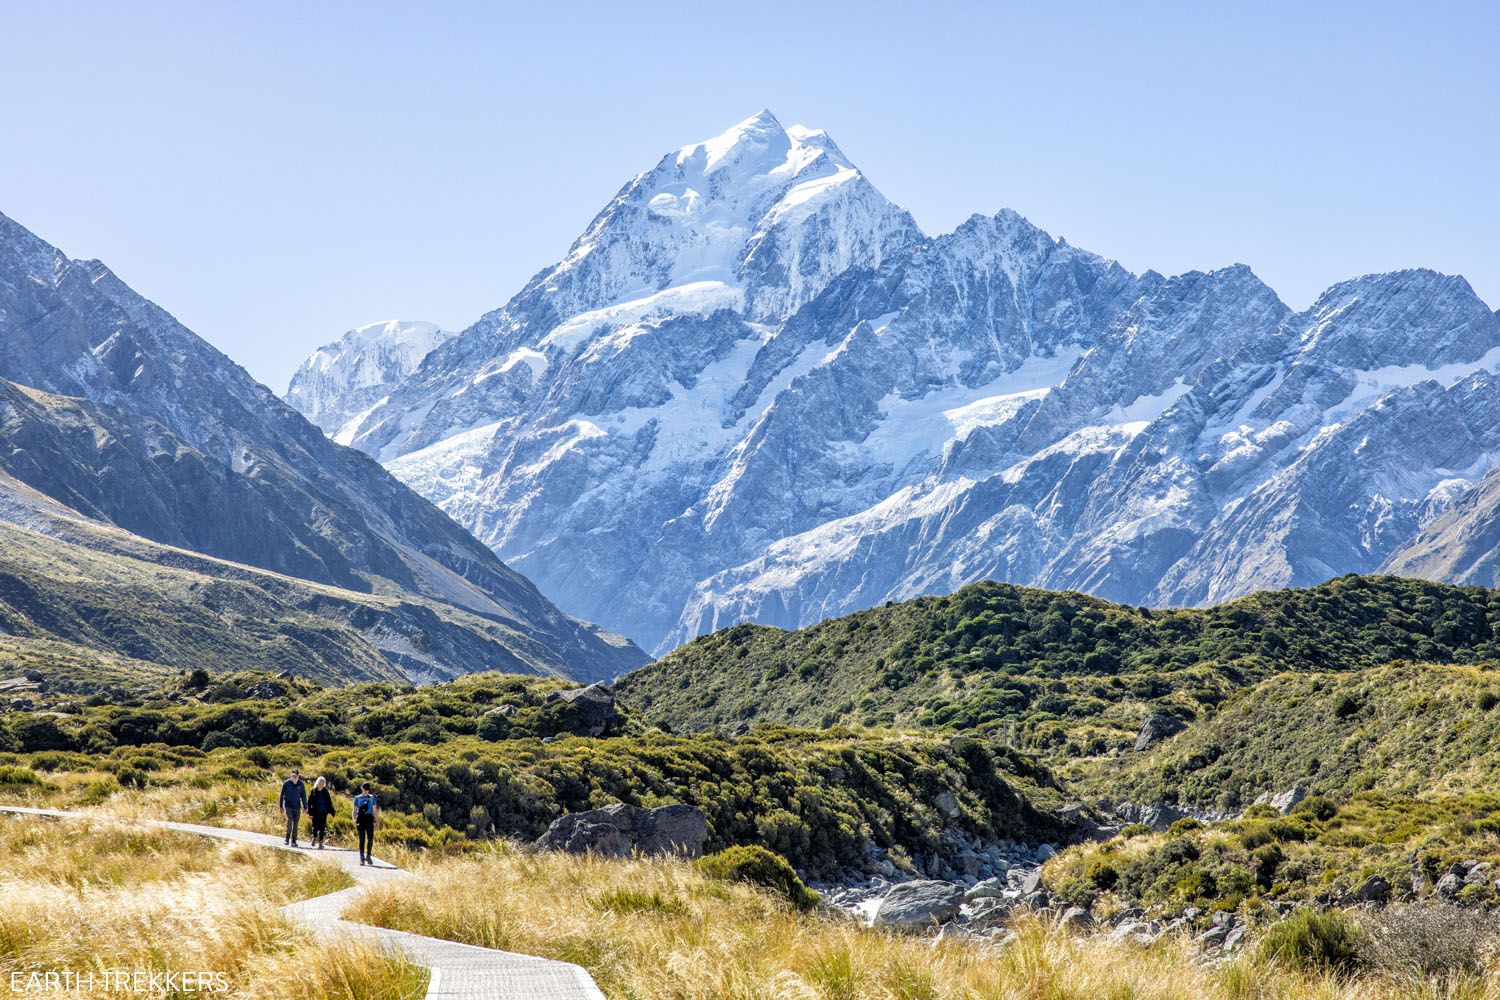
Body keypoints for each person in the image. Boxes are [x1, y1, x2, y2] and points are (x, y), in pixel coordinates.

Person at [279, 769, 308, 847]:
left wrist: (305, 807)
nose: (294, 777)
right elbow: (281, 795)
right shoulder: (286, 783)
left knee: (296, 824)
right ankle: (286, 839)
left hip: (297, 807)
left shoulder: (301, 784)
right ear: (291, 776)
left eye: (295, 776)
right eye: (292, 776)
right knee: (290, 821)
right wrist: (281, 806)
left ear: (298, 776)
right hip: (288, 806)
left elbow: (304, 796)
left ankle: (294, 841)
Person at [352, 782, 379, 866]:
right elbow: (355, 810)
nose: (366, 791)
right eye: (365, 789)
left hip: (369, 818)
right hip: (360, 818)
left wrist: (377, 822)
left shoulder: (372, 798)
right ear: (362, 789)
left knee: (370, 838)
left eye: (367, 790)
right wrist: (354, 819)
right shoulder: (357, 798)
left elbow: (374, 811)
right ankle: (361, 857)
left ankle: (368, 856)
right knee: (362, 839)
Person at [307, 776, 334, 850]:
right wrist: (310, 813)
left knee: (322, 827)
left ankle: (320, 843)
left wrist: (331, 811)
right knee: (315, 826)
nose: (321, 784)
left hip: (323, 812)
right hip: (315, 812)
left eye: (323, 783)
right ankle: (314, 837)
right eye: (320, 783)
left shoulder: (325, 792)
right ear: (317, 783)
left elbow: (329, 802)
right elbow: (309, 802)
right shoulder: (314, 791)